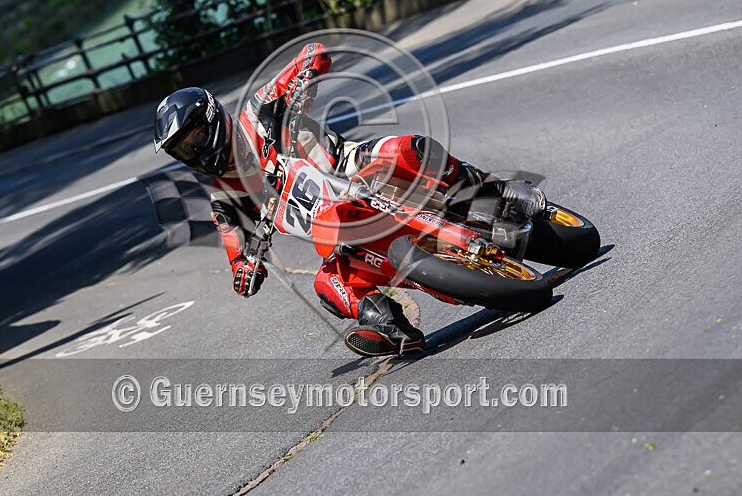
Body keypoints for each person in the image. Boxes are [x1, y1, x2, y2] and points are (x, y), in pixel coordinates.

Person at [153, 42, 545, 357]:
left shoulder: (259, 111)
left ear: (214, 118)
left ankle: (494, 189)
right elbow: (237, 256)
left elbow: (315, 52)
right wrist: (245, 271)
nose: (197, 153)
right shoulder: (225, 201)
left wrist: (306, 73)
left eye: (197, 138)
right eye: (185, 151)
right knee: (326, 285)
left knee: (412, 149)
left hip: (361, 171)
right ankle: (392, 328)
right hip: (343, 233)